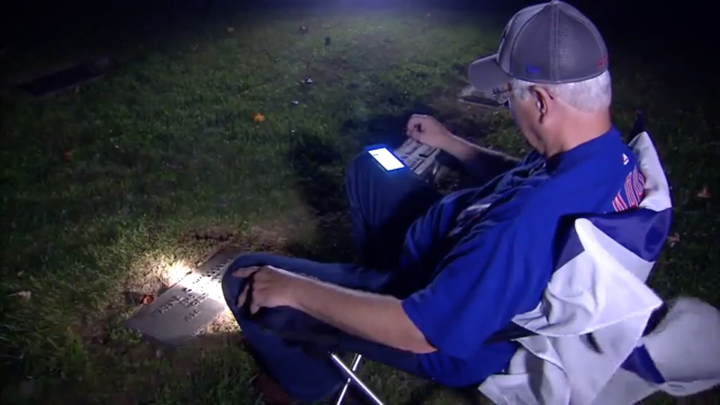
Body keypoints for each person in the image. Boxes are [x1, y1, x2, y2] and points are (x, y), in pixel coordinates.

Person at [222, 1, 646, 403]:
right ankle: (366, 281)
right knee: (371, 168)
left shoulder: (522, 225)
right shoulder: (609, 157)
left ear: (540, 101)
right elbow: (520, 174)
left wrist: (297, 290)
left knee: (245, 278)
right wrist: (452, 144)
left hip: (440, 323)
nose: (507, 107)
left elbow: (421, 332)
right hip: (451, 258)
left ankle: (309, 381)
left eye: (507, 96)